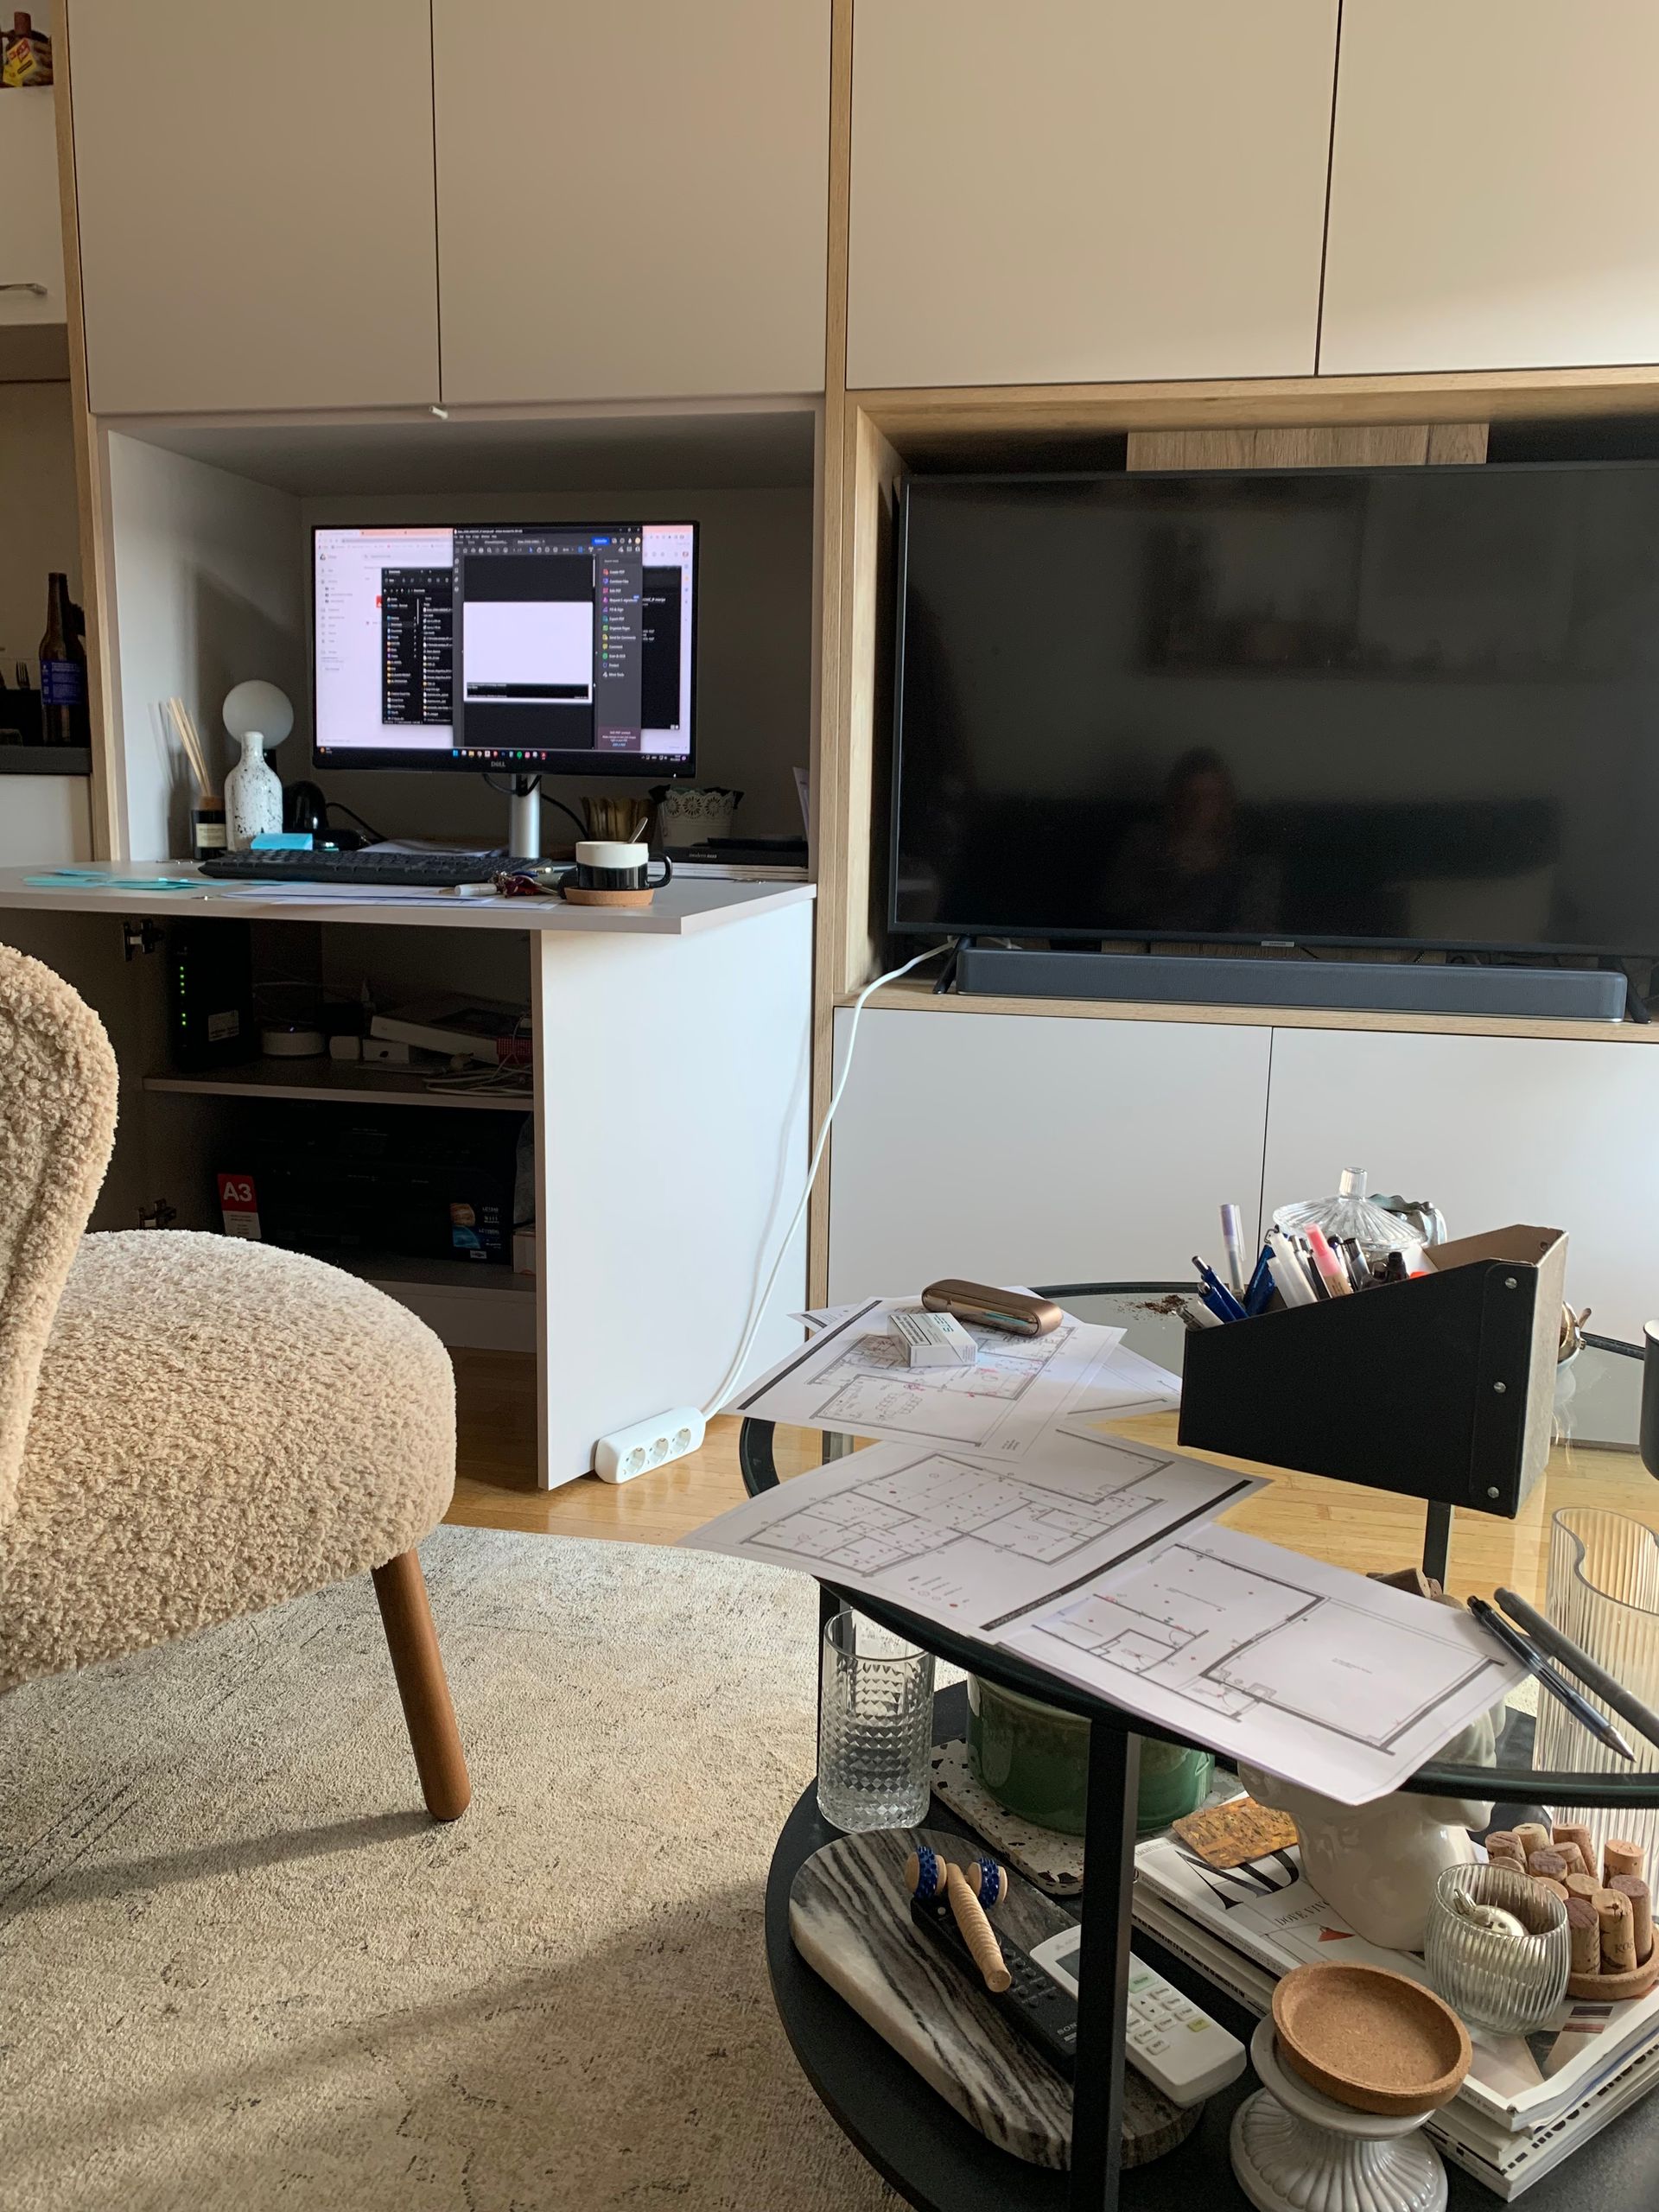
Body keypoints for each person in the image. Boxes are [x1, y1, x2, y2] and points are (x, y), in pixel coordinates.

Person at [1102, 747, 1279, 935]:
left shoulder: (1250, 861)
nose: (1199, 806)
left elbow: (1257, 929)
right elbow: (1117, 911)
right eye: (1191, 795)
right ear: (1176, 798)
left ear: (1225, 802)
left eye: (1210, 797)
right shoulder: (1145, 842)